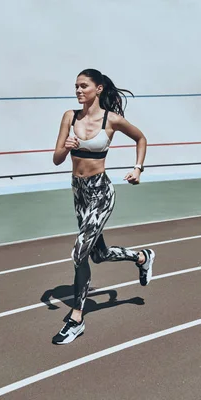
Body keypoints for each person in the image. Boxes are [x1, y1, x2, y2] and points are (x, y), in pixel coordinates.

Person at [51, 68, 156, 345]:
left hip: (101, 192)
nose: (78, 91)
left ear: (98, 89)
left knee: (78, 252)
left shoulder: (112, 120)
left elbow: (141, 139)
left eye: (83, 86)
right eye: (75, 86)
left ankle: (76, 317)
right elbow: (57, 159)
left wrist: (138, 168)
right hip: (79, 193)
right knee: (97, 255)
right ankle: (142, 258)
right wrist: (67, 145)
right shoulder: (69, 117)